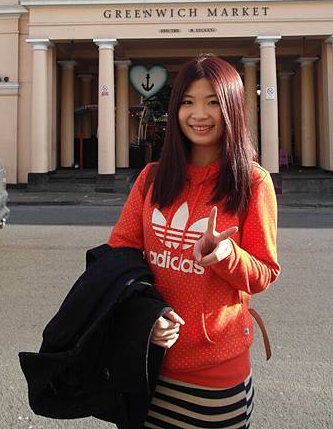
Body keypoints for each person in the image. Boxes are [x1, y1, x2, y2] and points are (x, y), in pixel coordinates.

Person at [108, 55, 280, 428]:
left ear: (232, 107)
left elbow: (264, 272)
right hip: (147, 365)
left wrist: (226, 255)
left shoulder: (253, 182)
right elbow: (119, 257)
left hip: (215, 380)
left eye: (213, 101)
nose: (199, 114)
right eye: (188, 101)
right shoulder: (152, 178)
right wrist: (143, 316)